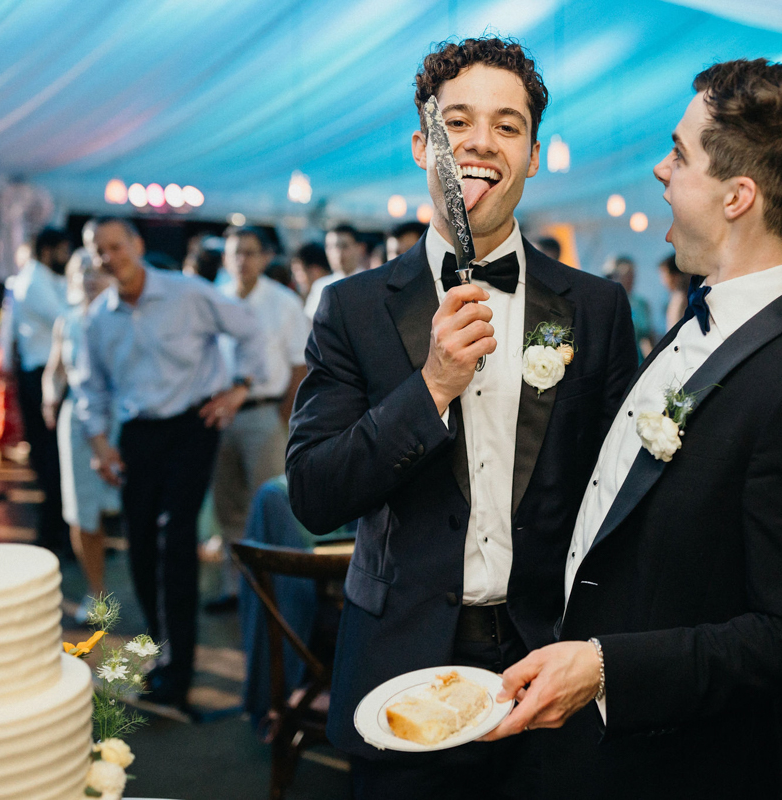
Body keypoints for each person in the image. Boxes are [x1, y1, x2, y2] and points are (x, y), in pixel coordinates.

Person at [484, 60, 782, 800]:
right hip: (589, 738)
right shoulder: (699, 323)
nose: (662, 169)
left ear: (738, 196)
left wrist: (605, 667)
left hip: (681, 761)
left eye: (680, 152)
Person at [285, 36, 638, 799]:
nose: (482, 142)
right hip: (399, 669)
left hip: (546, 662)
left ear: (535, 154)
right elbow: (314, 494)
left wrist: (604, 654)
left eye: (508, 126)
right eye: (458, 123)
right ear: (423, 145)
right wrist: (433, 385)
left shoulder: (597, 308)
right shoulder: (350, 309)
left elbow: (624, 502)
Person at [73, 217, 267, 711]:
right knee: (140, 544)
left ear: (137, 246)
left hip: (191, 426)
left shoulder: (188, 293)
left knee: (174, 537)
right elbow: (89, 388)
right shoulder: (97, 319)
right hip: (137, 434)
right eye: (99, 251)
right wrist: (99, 444)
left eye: (116, 246)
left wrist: (239, 387)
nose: (108, 257)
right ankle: (160, 651)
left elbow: (251, 330)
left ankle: (177, 671)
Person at [206, 226, 311, 613]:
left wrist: (284, 419)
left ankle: (274, 594)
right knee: (228, 507)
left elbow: (300, 365)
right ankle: (234, 588)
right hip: (222, 412)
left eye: (249, 253)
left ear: (265, 257)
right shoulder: (217, 297)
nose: (241, 260)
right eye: (235, 253)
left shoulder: (282, 302)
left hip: (265, 410)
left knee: (267, 504)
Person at [42, 249, 121, 623]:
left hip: (123, 417)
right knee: (82, 510)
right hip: (77, 421)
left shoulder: (127, 316)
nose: (90, 278)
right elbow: (55, 370)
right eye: (82, 271)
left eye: (97, 270)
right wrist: (49, 398)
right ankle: (97, 593)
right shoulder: (67, 320)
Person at [2, 227, 71, 555]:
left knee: (55, 457)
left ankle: (59, 532)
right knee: (51, 458)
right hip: (42, 376)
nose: (67, 257)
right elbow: (65, 318)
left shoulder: (42, 278)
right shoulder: (34, 281)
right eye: (63, 250)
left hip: (45, 373)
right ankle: (54, 535)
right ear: (48, 251)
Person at [304, 224, 366, 319]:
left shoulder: (369, 283)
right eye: (331, 247)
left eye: (344, 246)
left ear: (360, 248)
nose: (338, 252)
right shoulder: (320, 286)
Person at [602, 255, 655, 359]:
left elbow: (647, 337)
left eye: (632, 274)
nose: (630, 279)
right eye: (626, 275)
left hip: (638, 361)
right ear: (614, 276)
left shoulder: (641, 303)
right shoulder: (607, 303)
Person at [658, 252, 687, 329]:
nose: (663, 281)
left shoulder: (680, 298)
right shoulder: (676, 296)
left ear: (676, 276)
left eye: (664, 276)